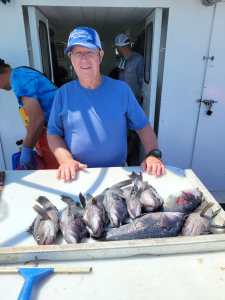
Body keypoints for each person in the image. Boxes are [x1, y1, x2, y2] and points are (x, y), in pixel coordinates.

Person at [47, 26, 165, 182]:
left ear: (100, 56)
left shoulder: (121, 90)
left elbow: (143, 126)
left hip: (118, 173)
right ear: (70, 57)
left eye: (89, 52)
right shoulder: (63, 94)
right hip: (78, 174)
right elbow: (53, 133)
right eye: (77, 53)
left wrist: (152, 154)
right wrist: (66, 160)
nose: (83, 59)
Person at [0, 59, 58, 169]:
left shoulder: (19, 78)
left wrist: (26, 149)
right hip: (50, 134)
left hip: (59, 135)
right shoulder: (21, 74)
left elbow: (37, 119)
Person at [114, 33, 145, 165]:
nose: (122, 50)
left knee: (134, 129)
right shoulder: (121, 60)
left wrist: (142, 96)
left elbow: (142, 80)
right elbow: (119, 77)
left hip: (134, 100)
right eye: (120, 48)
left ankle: (131, 157)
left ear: (127, 45)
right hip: (121, 99)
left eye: (123, 47)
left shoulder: (138, 59)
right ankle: (122, 155)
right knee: (122, 128)